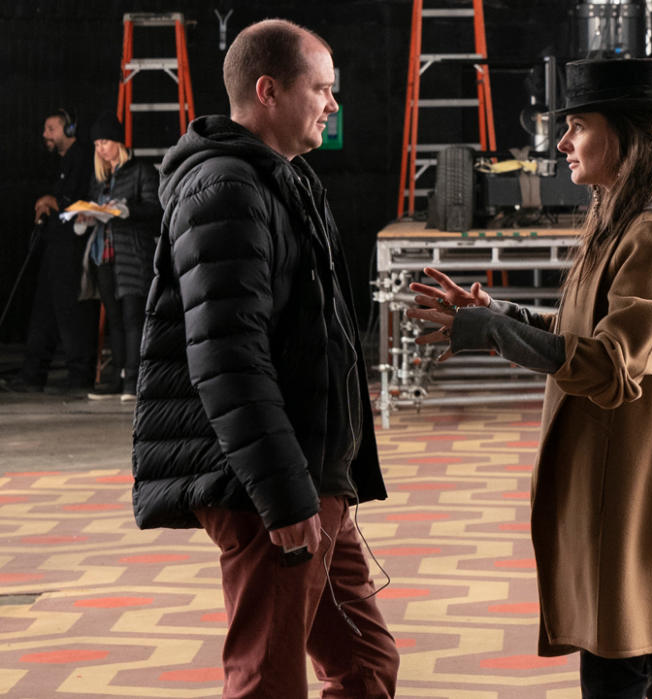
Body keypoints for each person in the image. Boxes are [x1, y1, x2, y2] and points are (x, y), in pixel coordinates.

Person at [409, 57, 652, 699]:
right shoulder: (623, 219)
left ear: (627, 136)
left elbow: (611, 368)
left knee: (630, 668)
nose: (562, 144)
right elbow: (579, 331)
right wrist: (497, 313)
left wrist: (496, 334)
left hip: (643, 499)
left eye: (578, 126)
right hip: (630, 493)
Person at [129, 19, 398, 698]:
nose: (332, 104)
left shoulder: (284, 180)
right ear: (269, 90)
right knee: (267, 679)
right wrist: (283, 494)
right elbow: (227, 360)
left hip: (312, 474)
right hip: (271, 485)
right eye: (321, 88)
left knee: (366, 664)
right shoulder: (227, 189)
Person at [2, 109, 97, 394]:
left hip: (70, 248)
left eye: (51, 129)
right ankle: (33, 374)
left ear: (69, 130)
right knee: (43, 311)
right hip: (54, 247)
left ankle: (79, 376)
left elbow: (79, 203)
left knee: (70, 314)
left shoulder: (81, 157)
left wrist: (52, 201)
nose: (45, 135)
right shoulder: (64, 162)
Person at [78, 113, 160, 401]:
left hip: (133, 254)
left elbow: (156, 211)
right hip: (106, 254)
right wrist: (86, 217)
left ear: (118, 142)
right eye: (97, 144)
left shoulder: (140, 170)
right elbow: (94, 208)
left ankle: (134, 380)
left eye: (105, 142)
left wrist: (128, 210)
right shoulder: (101, 178)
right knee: (114, 317)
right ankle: (119, 378)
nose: (101, 148)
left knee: (132, 316)